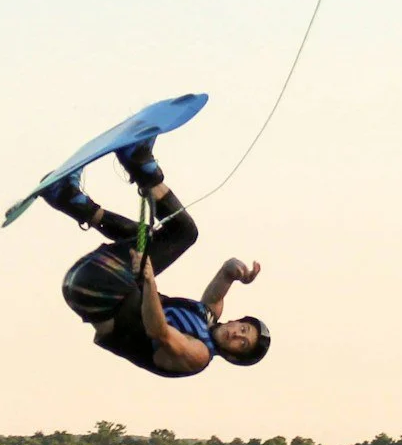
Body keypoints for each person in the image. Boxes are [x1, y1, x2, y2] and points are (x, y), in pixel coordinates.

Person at [40, 141, 270, 377]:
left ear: (231, 356)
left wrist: (149, 282)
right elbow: (226, 273)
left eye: (242, 343)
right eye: (243, 329)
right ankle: (68, 197)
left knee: (183, 234)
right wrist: (238, 272)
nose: (237, 334)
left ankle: (140, 165)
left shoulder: (198, 356)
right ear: (236, 321)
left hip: (102, 294)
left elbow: (159, 331)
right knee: (146, 238)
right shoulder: (207, 315)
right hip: (98, 284)